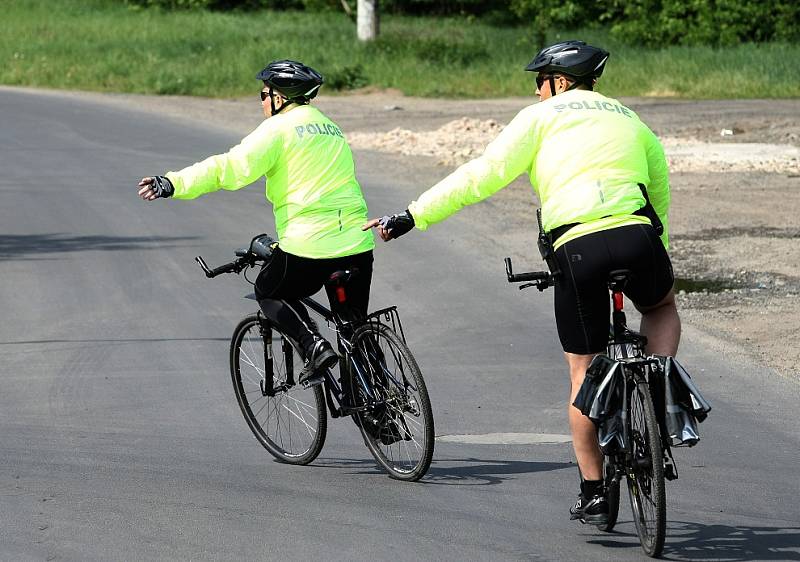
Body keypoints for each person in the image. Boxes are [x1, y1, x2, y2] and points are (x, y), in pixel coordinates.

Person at [364, 40, 680, 525]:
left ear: (558, 83)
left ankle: (593, 488)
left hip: (576, 247)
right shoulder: (629, 117)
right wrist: (652, 242)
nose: (536, 92)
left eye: (539, 82)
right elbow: (658, 184)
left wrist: (411, 216)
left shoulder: (539, 119)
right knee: (659, 308)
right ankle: (657, 387)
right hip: (638, 235)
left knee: (583, 370)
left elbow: (480, 176)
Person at [138, 59, 375, 387]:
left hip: (310, 245)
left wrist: (173, 183)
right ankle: (380, 407)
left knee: (268, 290)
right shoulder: (331, 128)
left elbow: (228, 169)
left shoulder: (279, 129)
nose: (261, 101)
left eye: (265, 94)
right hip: (357, 243)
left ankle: (313, 346)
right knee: (352, 326)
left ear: (281, 98)